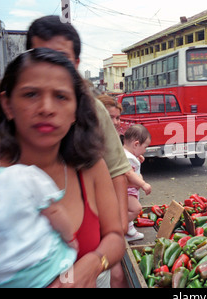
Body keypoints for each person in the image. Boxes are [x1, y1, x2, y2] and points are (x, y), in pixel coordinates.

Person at [0, 48, 125, 287]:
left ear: (76, 111)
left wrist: (94, 264)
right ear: (7, 104)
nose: (46, 108)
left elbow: (115, 237)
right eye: (31, 94)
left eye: (61, 97)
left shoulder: (90, 167)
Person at [26, 15, 132, 238]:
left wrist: (118, 235)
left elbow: (116, 171)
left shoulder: (94, 111)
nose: (51, 68)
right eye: (41, 58)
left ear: (75, 64)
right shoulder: (15, 113)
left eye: (60, 59)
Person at [0, 125, 78, 288]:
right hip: (47, 266)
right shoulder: (22, 175)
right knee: (69, 266)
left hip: (4, 281)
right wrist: (70, 238)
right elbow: (54, 211)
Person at [122, 125, 152, 241]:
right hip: (127, 191)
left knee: (129, 209)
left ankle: (128, 230)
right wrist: (143, 184)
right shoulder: (128, 158)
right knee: (136, 209)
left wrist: (137, 158)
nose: (145, 150)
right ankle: (121, 227)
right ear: (136, 144)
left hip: (129, 190)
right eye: (145, 147)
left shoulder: (126, 154)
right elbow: (129, 174)